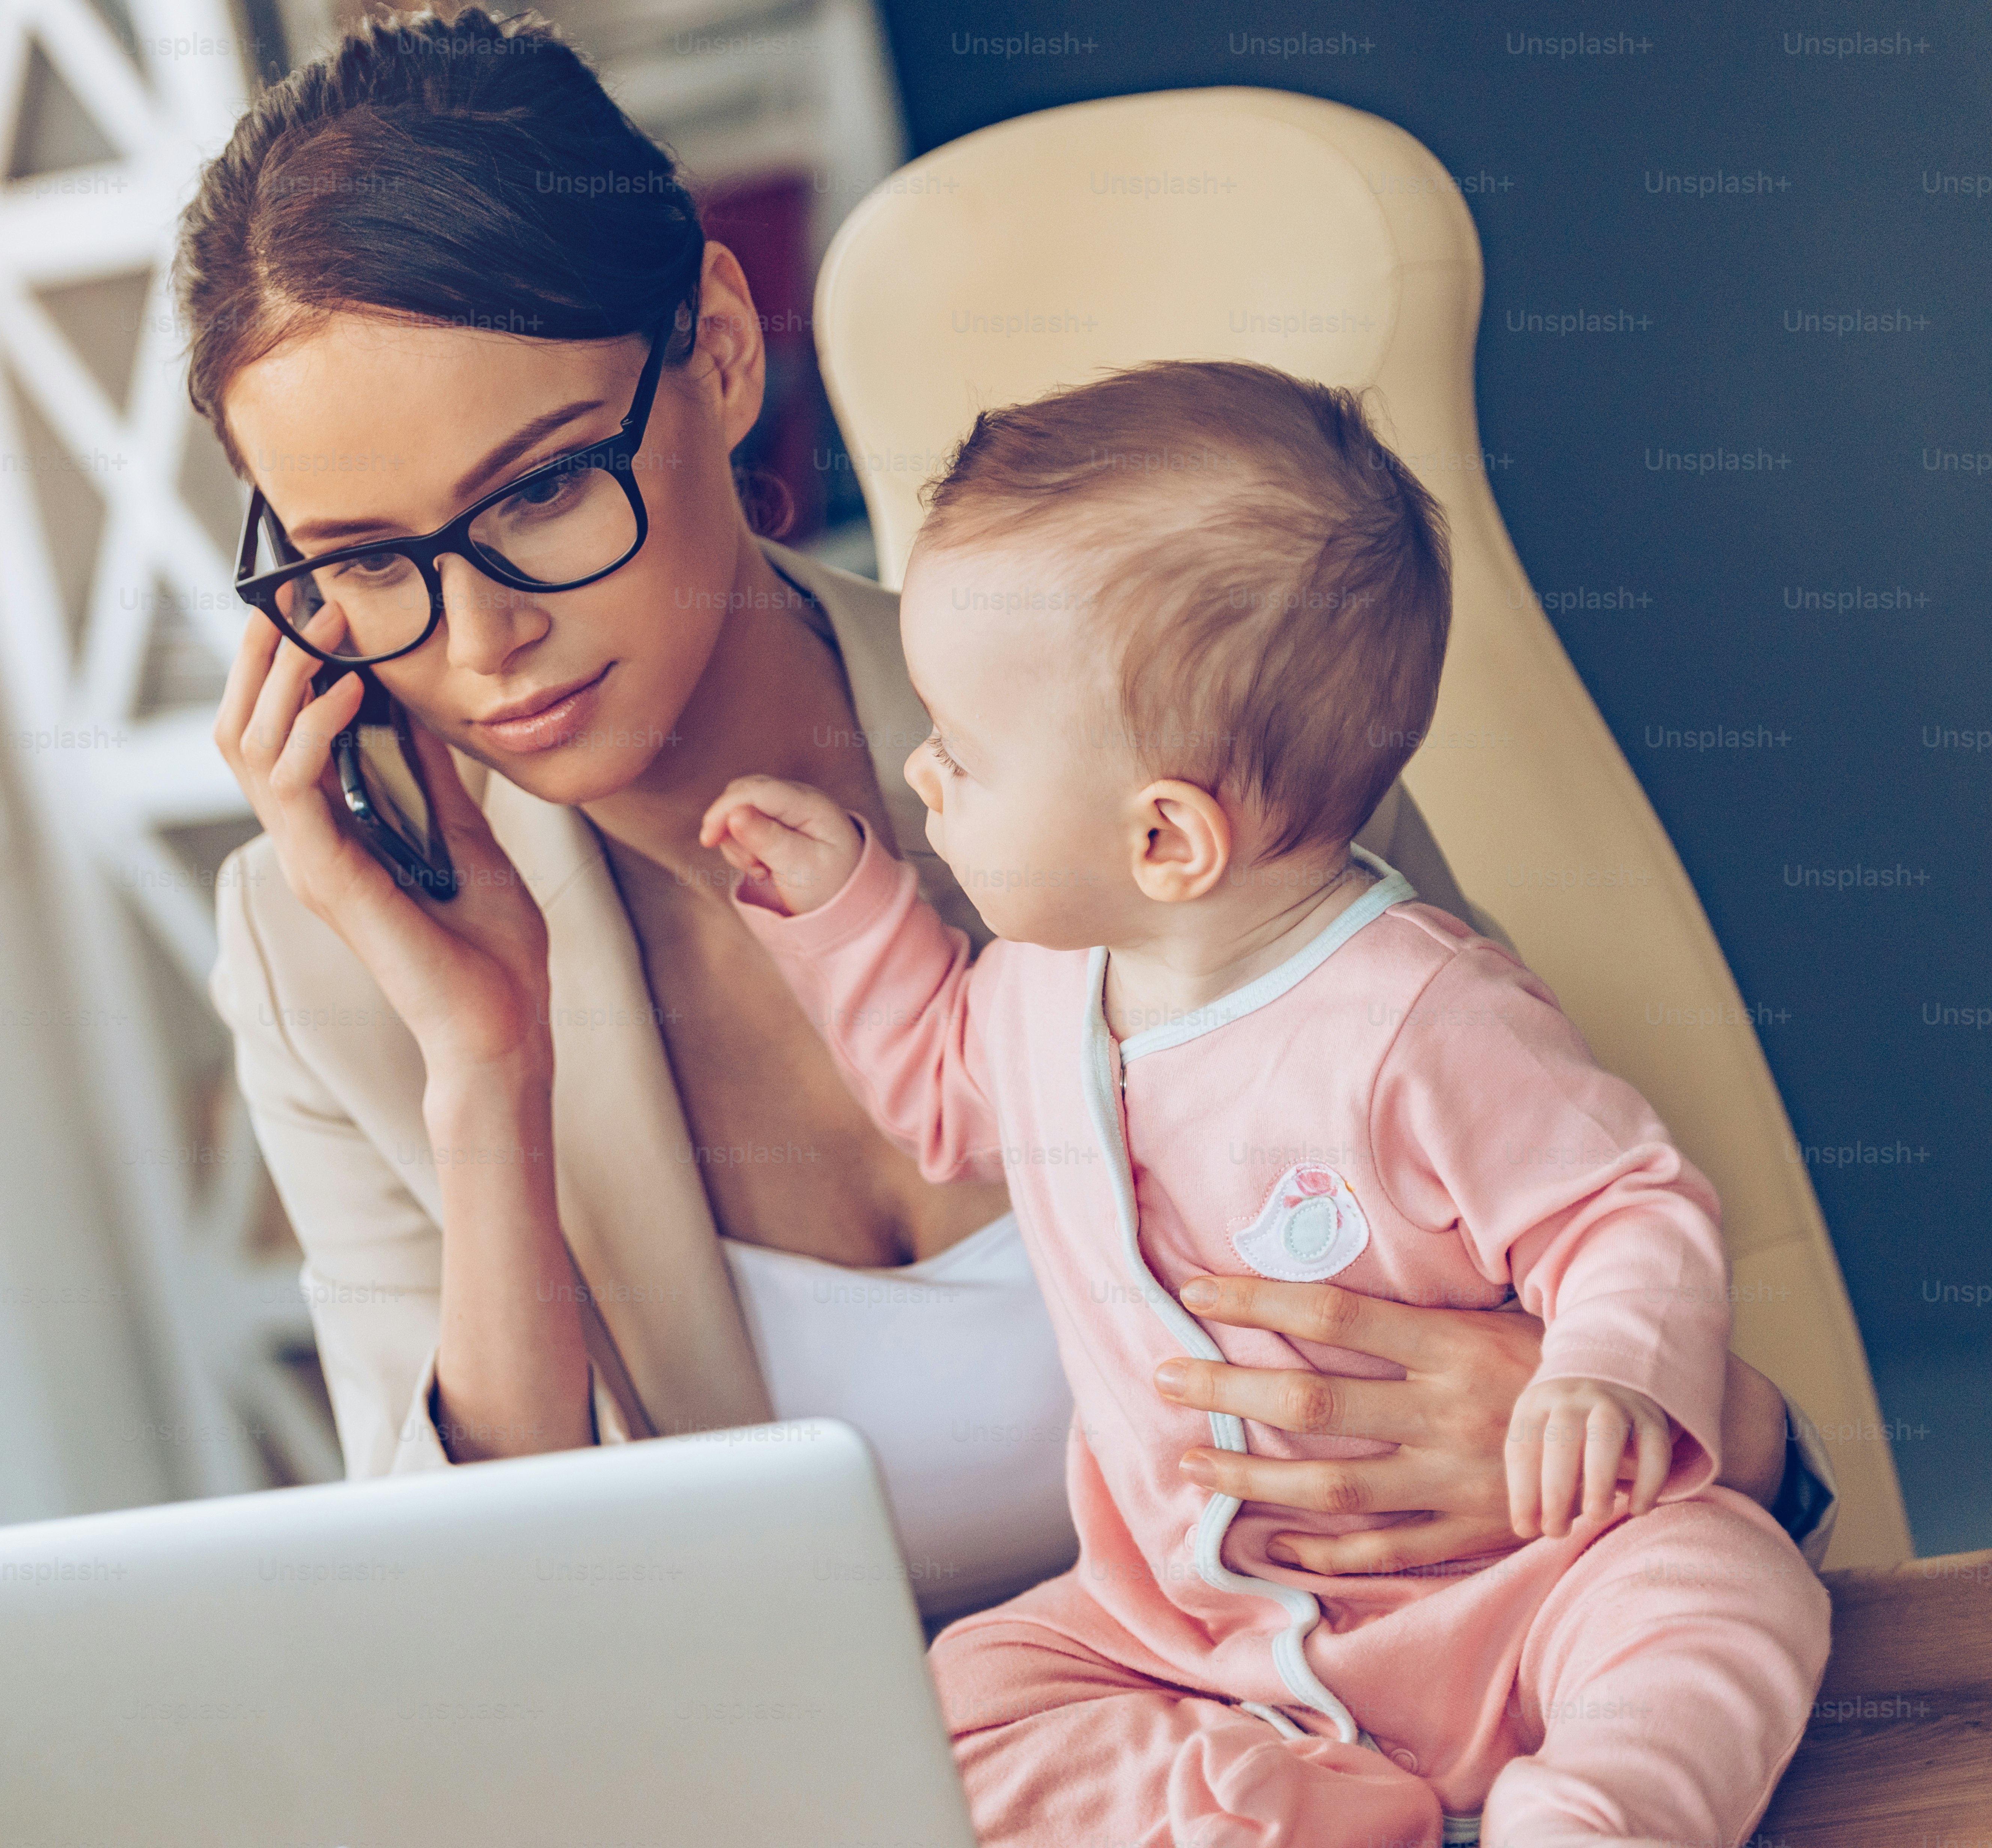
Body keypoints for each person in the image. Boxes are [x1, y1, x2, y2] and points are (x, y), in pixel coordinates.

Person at [186, 3, 1831, 1631]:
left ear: (721, 350)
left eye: (542, 489)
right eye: (366, 562)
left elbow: (1665, 1361)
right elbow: (480, 1666)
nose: (477, 646)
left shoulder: (1173, 721)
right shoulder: (324, 953)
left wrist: (1621, 1424)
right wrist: (489, 1074)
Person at [702, 360, 1830, 1844]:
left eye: (960, 752)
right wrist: (844, 911)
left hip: (1502, 1589)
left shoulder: (1418, 1014)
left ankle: (1596, 1811)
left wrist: (1602, 1370)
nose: (920, 774)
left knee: (1715, 1595)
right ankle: (1277, 1806)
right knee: (944, 1711)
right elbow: (935, 1092)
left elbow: (1624, 1203)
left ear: (1163, 835)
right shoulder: (1042, 993)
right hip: (1192, 1635)